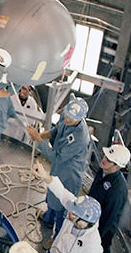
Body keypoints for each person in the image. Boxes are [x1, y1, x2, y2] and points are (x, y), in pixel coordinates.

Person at [26, 96, 90, 241]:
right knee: (52, 194)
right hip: (58, 167)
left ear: (80, 119)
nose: (67, 119)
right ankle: (48, 218)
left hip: (69, 173)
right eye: (66, 115)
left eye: (71, 119)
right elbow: (55, 131)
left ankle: (56, 238)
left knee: (63, 206)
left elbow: (57, 157)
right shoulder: (66, 116)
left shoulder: (80, 137)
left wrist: (38, 140)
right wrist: (40, 135)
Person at [87, 140, 130, 253]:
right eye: (105, 156)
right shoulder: (104, 170)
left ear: (117, 166)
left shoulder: (117, 191)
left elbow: (108, 219)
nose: (104, 160)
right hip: (92, 217)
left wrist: (95, 235)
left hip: (103, 227)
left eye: (109, 160)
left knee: (102, 248)